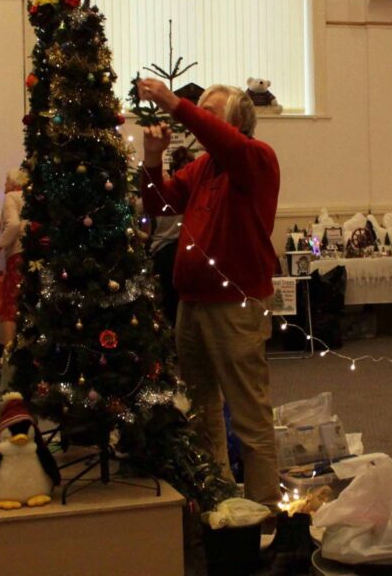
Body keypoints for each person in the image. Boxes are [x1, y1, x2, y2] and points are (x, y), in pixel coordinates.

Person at [137, 77, 281, 511]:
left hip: (233, 308)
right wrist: (151, 160)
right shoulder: (204, 168)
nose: (201, 120)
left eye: (211, 113)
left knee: (249, 415)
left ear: (238, 122)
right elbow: (160, 206)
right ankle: (219, 503)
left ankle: (266, 512)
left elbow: (221, 139)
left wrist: (174, 102)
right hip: (192, 304)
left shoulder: (255, 158)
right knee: (200, 412)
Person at [149, 146, 196, 326]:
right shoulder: (192, 194)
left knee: (168, 306)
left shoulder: (166, 193)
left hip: (163, 252)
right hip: (184, 252)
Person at [0, 167, 28, 359]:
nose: (5, 186)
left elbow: (13, 225)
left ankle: (7, 355)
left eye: (6, 182)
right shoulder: (32, 196)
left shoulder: (11, 196)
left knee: (10, 305)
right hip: (34, 255)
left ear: (13, 183)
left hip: (17, 255)